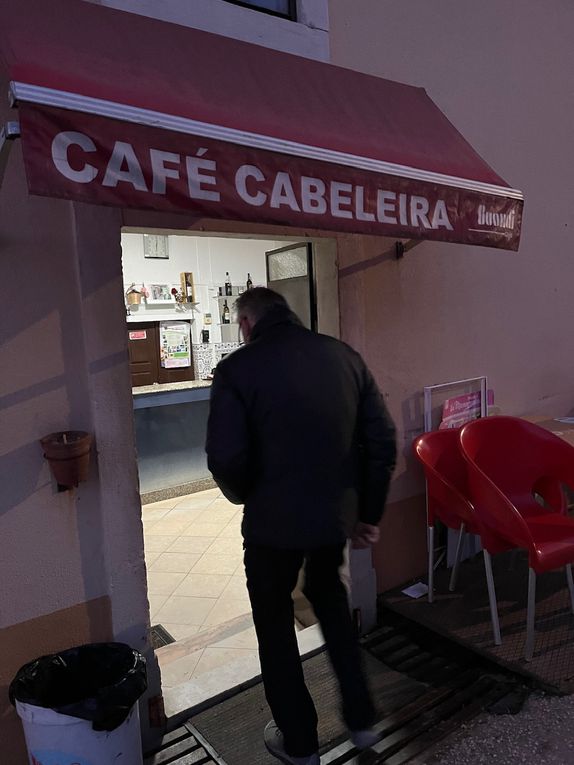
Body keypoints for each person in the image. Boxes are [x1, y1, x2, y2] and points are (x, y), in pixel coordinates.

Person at [206, 288, 396, 765]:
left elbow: (225, 457)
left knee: (274, 626)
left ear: (246, 324)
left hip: (271, 528)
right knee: (330, 600)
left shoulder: (237, 371)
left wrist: (249, 494)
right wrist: (369, 514)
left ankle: (300, 744)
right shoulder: (343, 357)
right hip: (332, 520)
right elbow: (382, 439)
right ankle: (362, 723)